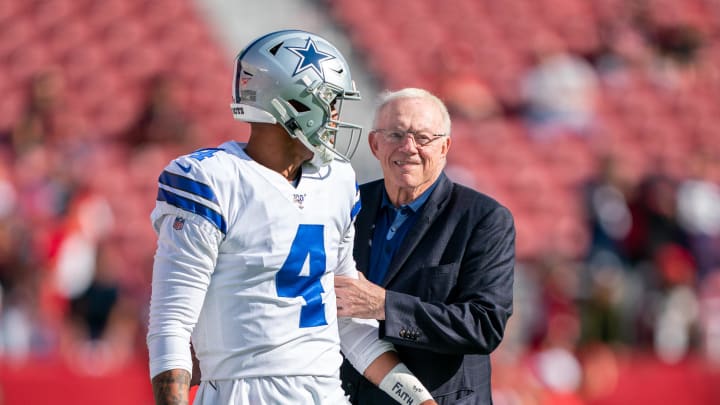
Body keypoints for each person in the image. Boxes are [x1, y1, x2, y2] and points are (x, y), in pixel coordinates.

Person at [146, 30, 437, 405]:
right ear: (291, 104)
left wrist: (420, 400)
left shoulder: (337, 180)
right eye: (330, 101)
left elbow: (346, 317)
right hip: (244, 393)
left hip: (326, 391)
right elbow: (171, 323)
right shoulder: (212, 180)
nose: (336, 116)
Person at [336, 88, 516, 404]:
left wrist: (384, 305)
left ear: (445, 146)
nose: (409, 148)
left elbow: (484, 325)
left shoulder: (484, 218)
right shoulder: (345, 206)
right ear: (374, 144)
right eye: (396, 134)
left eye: (423, 138)